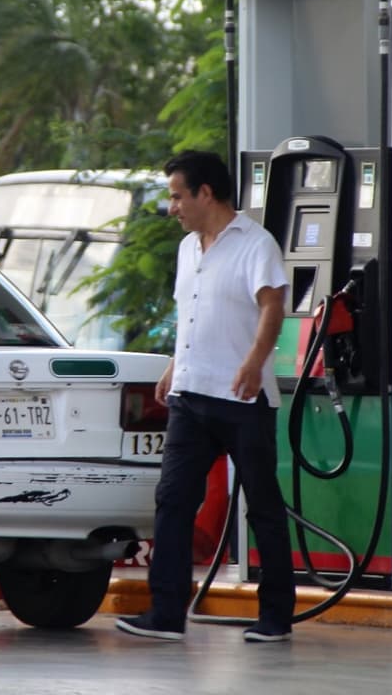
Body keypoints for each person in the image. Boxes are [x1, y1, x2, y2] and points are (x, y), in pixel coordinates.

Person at [116, 149, 295, 644]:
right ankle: (166, 613)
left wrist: (255, 363)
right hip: (191, 396)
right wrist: (175, 366)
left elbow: (272, 306)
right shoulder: (188, 249)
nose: (172, 207)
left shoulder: (255, 244)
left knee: (262, 506)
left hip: (241, 396)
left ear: (205, 193)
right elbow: (190, 313)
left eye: (177, 196)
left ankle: (276, 616)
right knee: (172, 500)